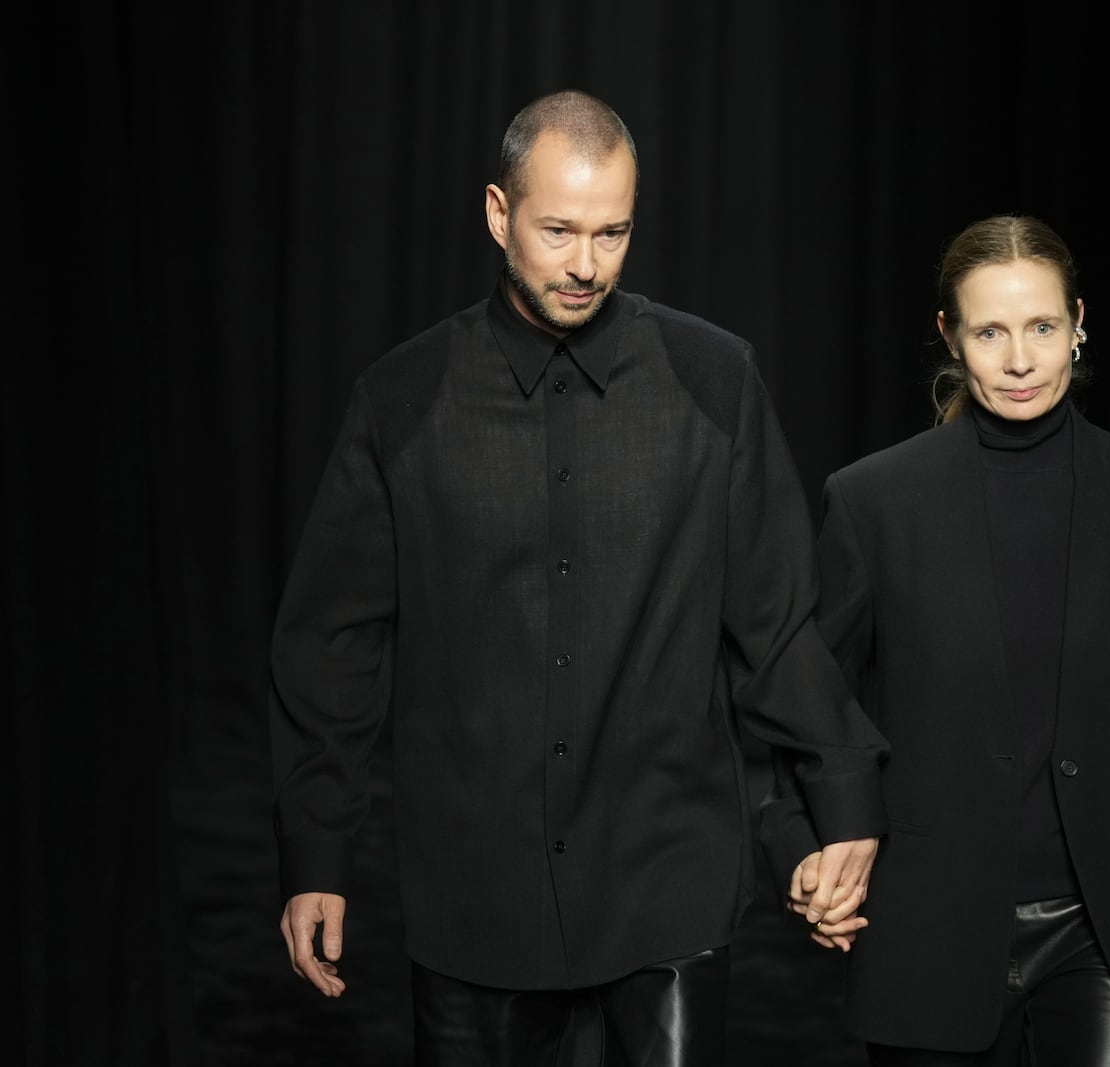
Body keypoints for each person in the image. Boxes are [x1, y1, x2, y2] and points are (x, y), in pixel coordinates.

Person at [268, 89, 888, 1066]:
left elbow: (774, 624)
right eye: (559, 230)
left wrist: (839, 805)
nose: (587, 264)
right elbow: (332, 642)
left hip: (665, 880)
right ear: (496, 212)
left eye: (613, 232)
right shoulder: (403, 397)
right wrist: (315, 853)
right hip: (476, 891)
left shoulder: (712, 380)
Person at [762, 215, 1110, 1065]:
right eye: (990, 331)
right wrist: (802, 845)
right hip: (931, 922)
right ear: (949, 335)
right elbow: (810, 704)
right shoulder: (874, 504)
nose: (1020, 360)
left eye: (1043, 327)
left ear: (1079, 322)